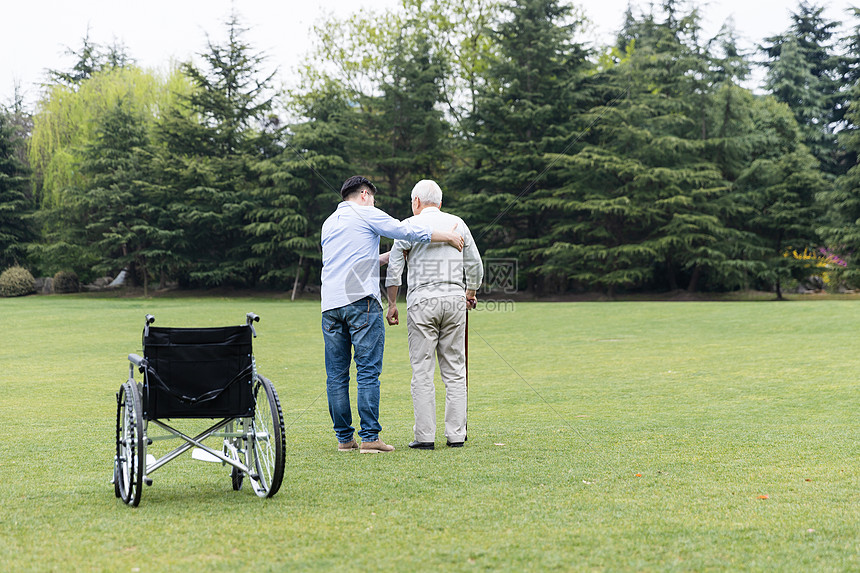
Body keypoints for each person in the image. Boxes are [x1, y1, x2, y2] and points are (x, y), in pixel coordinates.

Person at [321, 175, 464, 453]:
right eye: (373, 197)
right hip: (360, 301)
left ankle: (344, 440)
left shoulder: (329, 223)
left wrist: (390, 257)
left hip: (330, 304)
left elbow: (353, 261)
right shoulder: (367, 213)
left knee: (336, 375)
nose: (374, 202)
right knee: (367, 371)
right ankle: (370, 438)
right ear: (364, 194)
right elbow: (405, 230)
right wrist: (446, 235)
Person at [385, 179, 483, 449]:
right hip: (454, 299)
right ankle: (456, 435)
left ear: (416, 202)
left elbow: (394, 269)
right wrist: (471, 293)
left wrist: (392, 303)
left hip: (421, 300)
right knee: (455, 370)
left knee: (422, 370)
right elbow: (474, 264)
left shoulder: (407, 226)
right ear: (440, 203)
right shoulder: (457, 223)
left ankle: (425, 436)